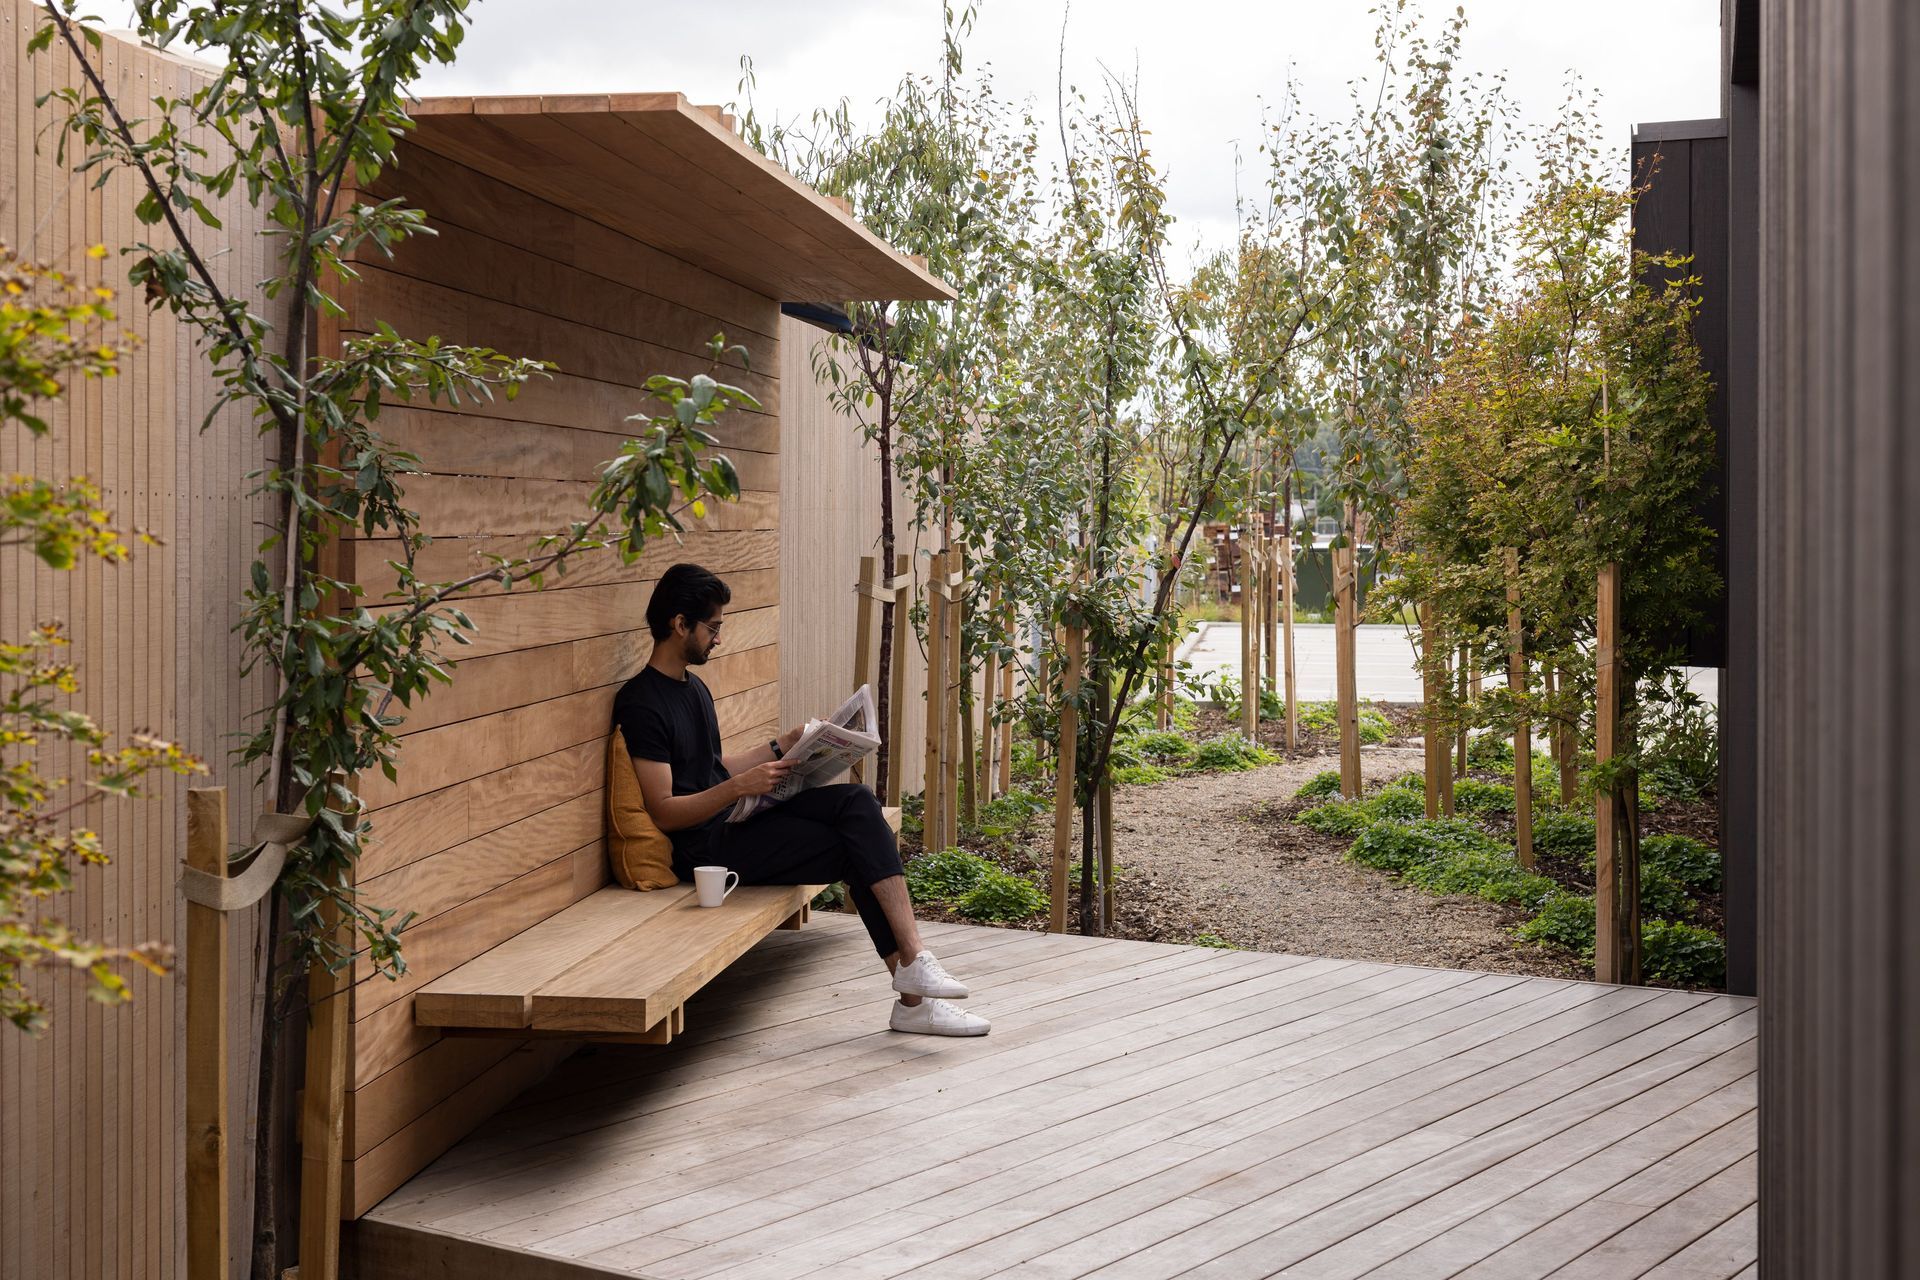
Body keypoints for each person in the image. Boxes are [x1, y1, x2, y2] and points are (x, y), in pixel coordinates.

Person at [615, 563, 989, 1037]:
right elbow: (665, 811)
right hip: (707, 848)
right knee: (856, 848)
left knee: (857, 803)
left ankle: (915, 969)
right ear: (680, 624)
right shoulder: (642, 703)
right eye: (713, 627)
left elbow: (709, 766)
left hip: (735, 818)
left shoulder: (693, 689)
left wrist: (782, 746)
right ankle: (915, 993)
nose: (719, 639)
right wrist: (739, 787)